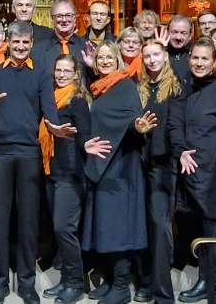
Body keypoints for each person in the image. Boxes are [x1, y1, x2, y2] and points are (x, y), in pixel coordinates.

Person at [0, 21, 59, 304]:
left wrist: (57, 128)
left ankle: (27, 283)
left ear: (31, 44)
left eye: (25, 43)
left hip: (29, 153)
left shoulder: (40, 73)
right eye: (16, 42)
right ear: (7, 42)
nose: (20, 47)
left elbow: (49, 109)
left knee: (28, 223)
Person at [170, 37, 216, 304]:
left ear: (215, 62)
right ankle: (204, 280)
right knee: (198, 228)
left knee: (214, 228)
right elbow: (177, 123)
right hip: (190, 171)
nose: (199, 63)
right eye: (195, 58)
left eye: (205, 58)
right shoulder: (187, 87)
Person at [81, 40, 156, 304]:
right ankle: (111, 280)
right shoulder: (100, 88)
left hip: (122, 167)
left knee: (120, 227)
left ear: (118, 60)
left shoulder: (125, 86)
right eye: (100, 57)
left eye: (109, 57)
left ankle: (122, 286)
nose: (104, 61)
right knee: (105, 226)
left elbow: (133, 121)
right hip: (104, 166)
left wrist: (138, 128)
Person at [134, 39, 185, 304]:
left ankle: (164, 294)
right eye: (147, 56)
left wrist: (179, 154)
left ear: (165, 57)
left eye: (156, 55)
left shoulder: (174, 88)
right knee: (142, 225)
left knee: (160, 227)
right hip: (139, 164)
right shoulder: (139, 87)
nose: (152, 60)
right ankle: (145, 281)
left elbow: (176, 127)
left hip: (163, 165)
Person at [42, 55, 92, 304]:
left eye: (67, 71)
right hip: (53, 172)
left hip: (71, 174)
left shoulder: (78, 100)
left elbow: (84, 135)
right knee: (58, 230)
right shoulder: (50, 98)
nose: (61, 75)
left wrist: (74, 139)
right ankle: (65, 279)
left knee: (65, 228)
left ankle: (75, 282)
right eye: (58, 70)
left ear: (76, 74)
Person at [31, 0, 88, 74]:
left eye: (68, 15)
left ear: (75, 18)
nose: (64, 20)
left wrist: (93, 67)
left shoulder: (87, 48)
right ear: (52, 18)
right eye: (59, 16)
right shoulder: (37, 51)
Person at [167, 14, 193, 85]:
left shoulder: (196, 53)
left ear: (190, 36)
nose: (178, 37)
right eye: (174, 32)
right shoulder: (160, 53)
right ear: (167, 33)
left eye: (183, 33)